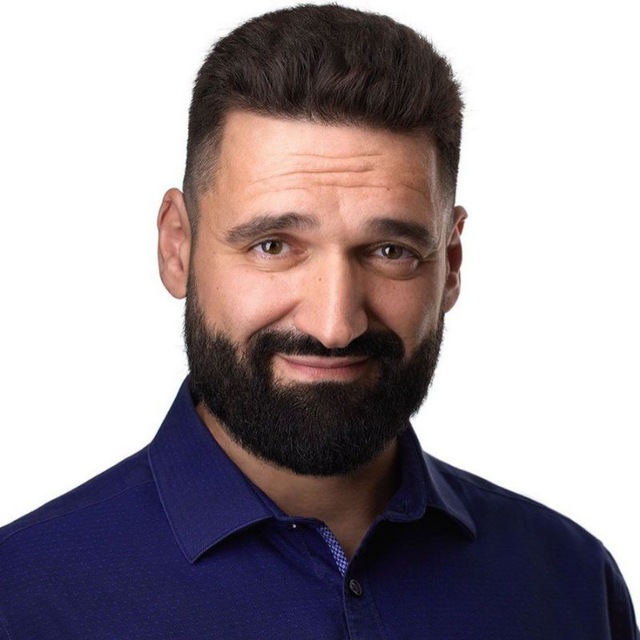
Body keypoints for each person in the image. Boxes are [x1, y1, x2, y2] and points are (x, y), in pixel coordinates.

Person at [0, 4, 637, 638]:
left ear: (450, 264)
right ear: (178, 248)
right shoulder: (23, 600)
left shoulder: (572, 584)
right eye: (273, 245)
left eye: (389, 252)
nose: (335, 325)